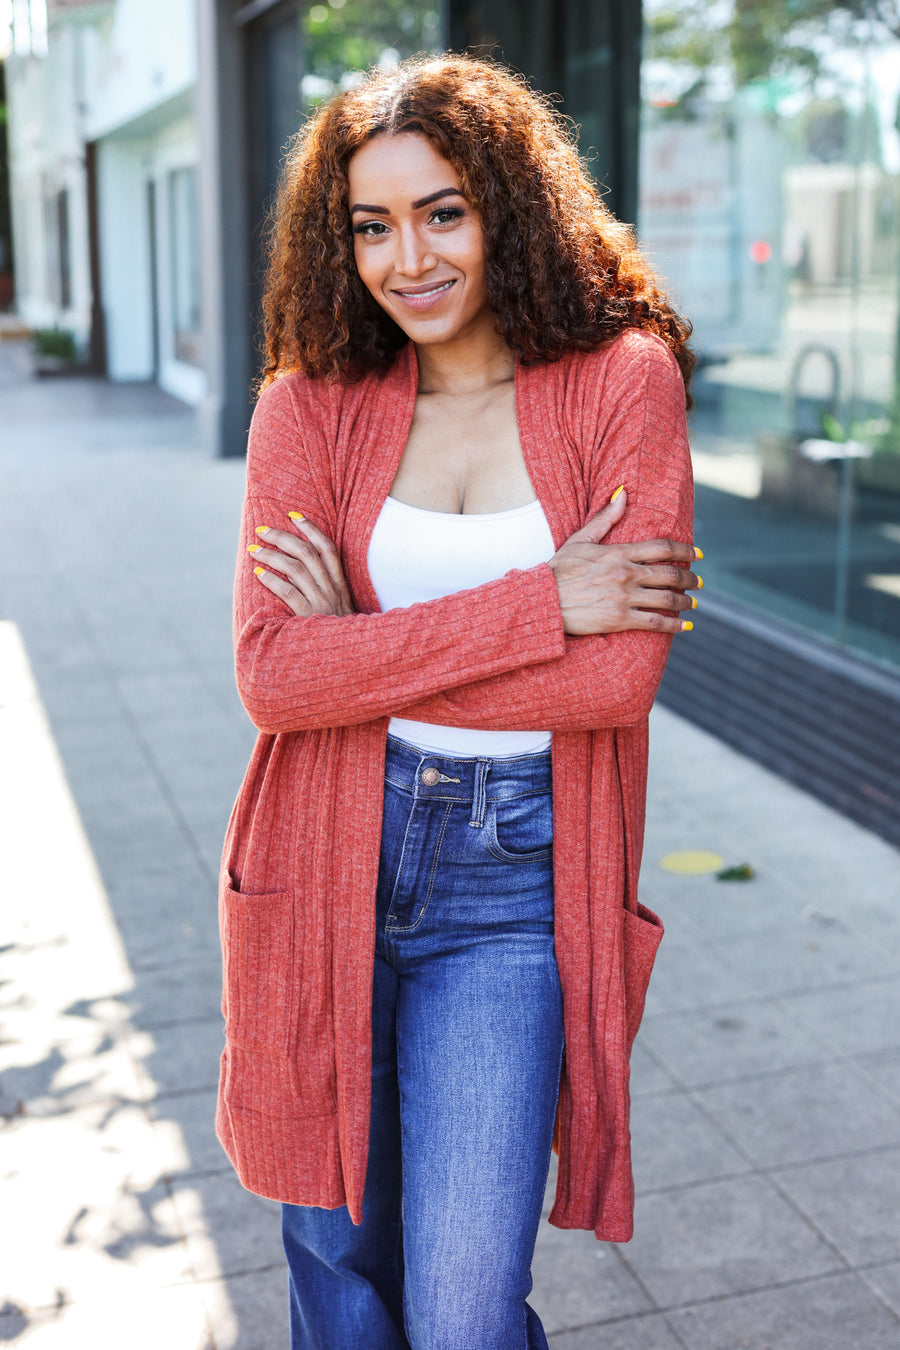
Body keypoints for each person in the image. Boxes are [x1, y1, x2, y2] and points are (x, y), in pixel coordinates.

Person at [216, 53, 698, 1350]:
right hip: (325, 855)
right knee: (339, 1278)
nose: (406, 258)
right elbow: (272, 673)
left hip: (512, 882)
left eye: (442, 211)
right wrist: (544, 600)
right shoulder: (307, 405)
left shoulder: (620, 383)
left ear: (508, 206)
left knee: (466, 1310)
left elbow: (617, 679)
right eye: (370, 224)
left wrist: (358, 647)